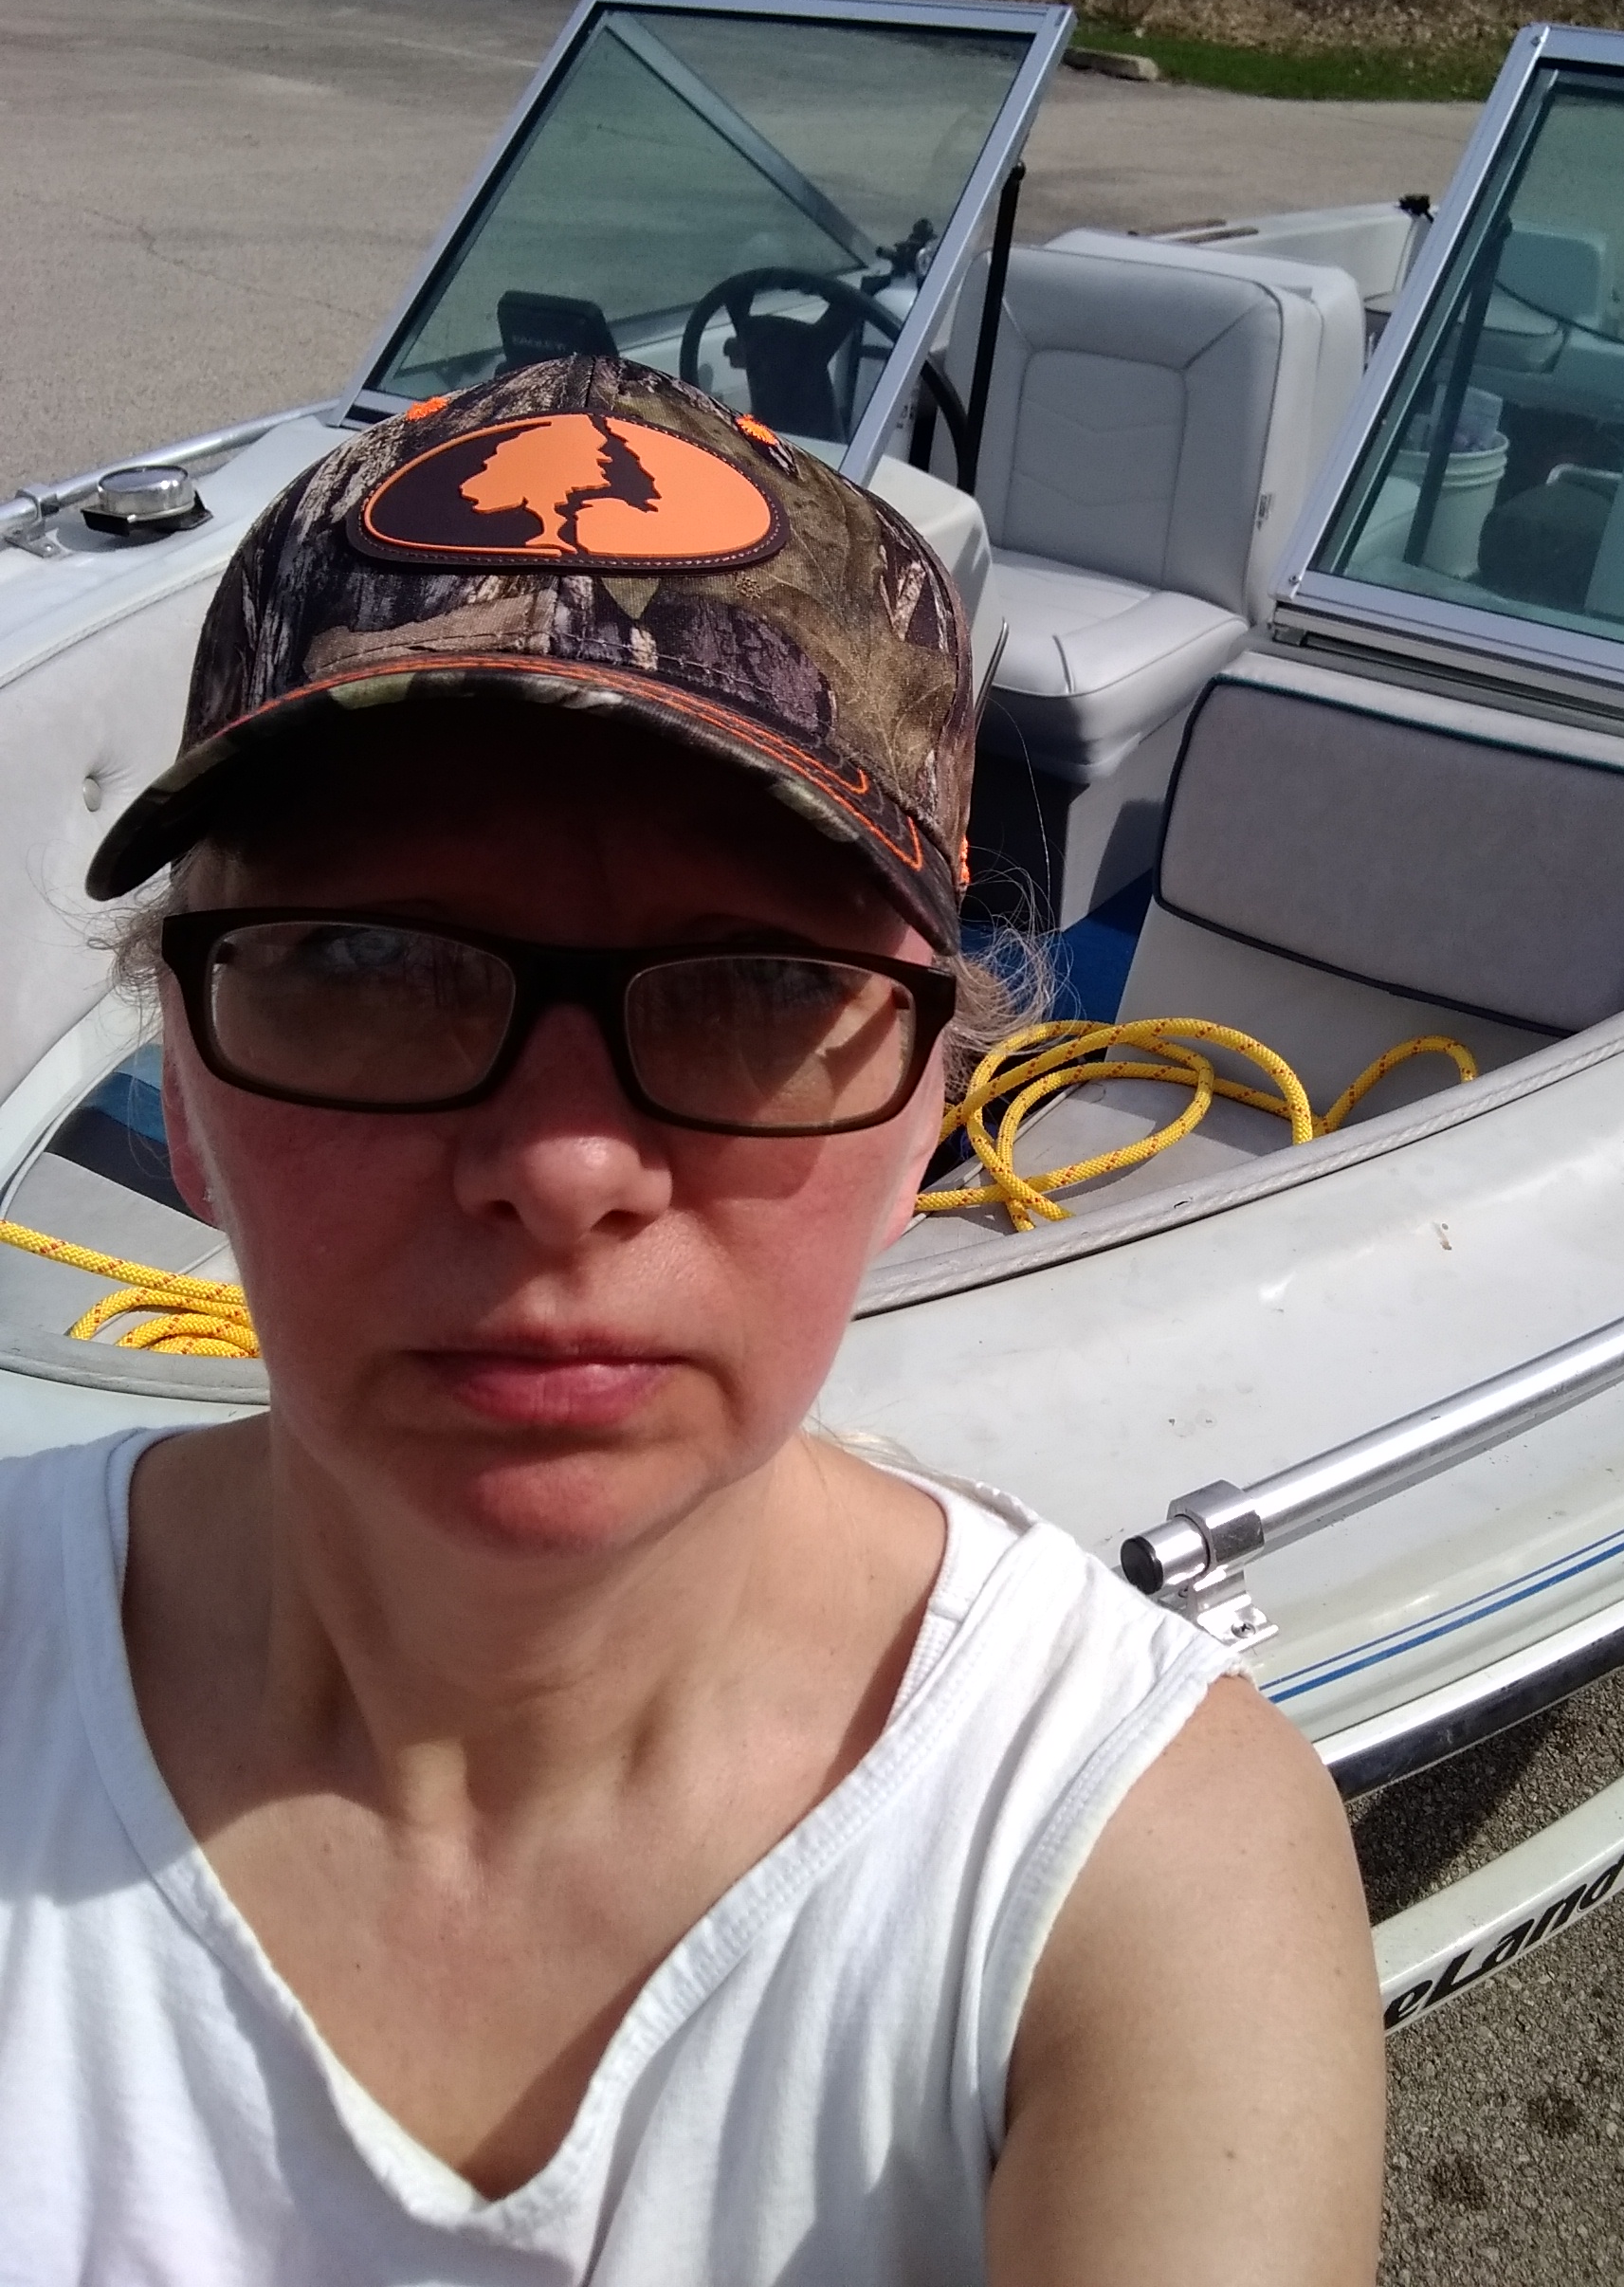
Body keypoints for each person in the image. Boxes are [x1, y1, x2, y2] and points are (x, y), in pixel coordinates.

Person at [0, 356, 1383, 2281]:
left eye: (759, 986)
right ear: (187, 1093)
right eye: (367, 961)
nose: (564, 1165)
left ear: (923, 1118)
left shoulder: (1127, 1862)